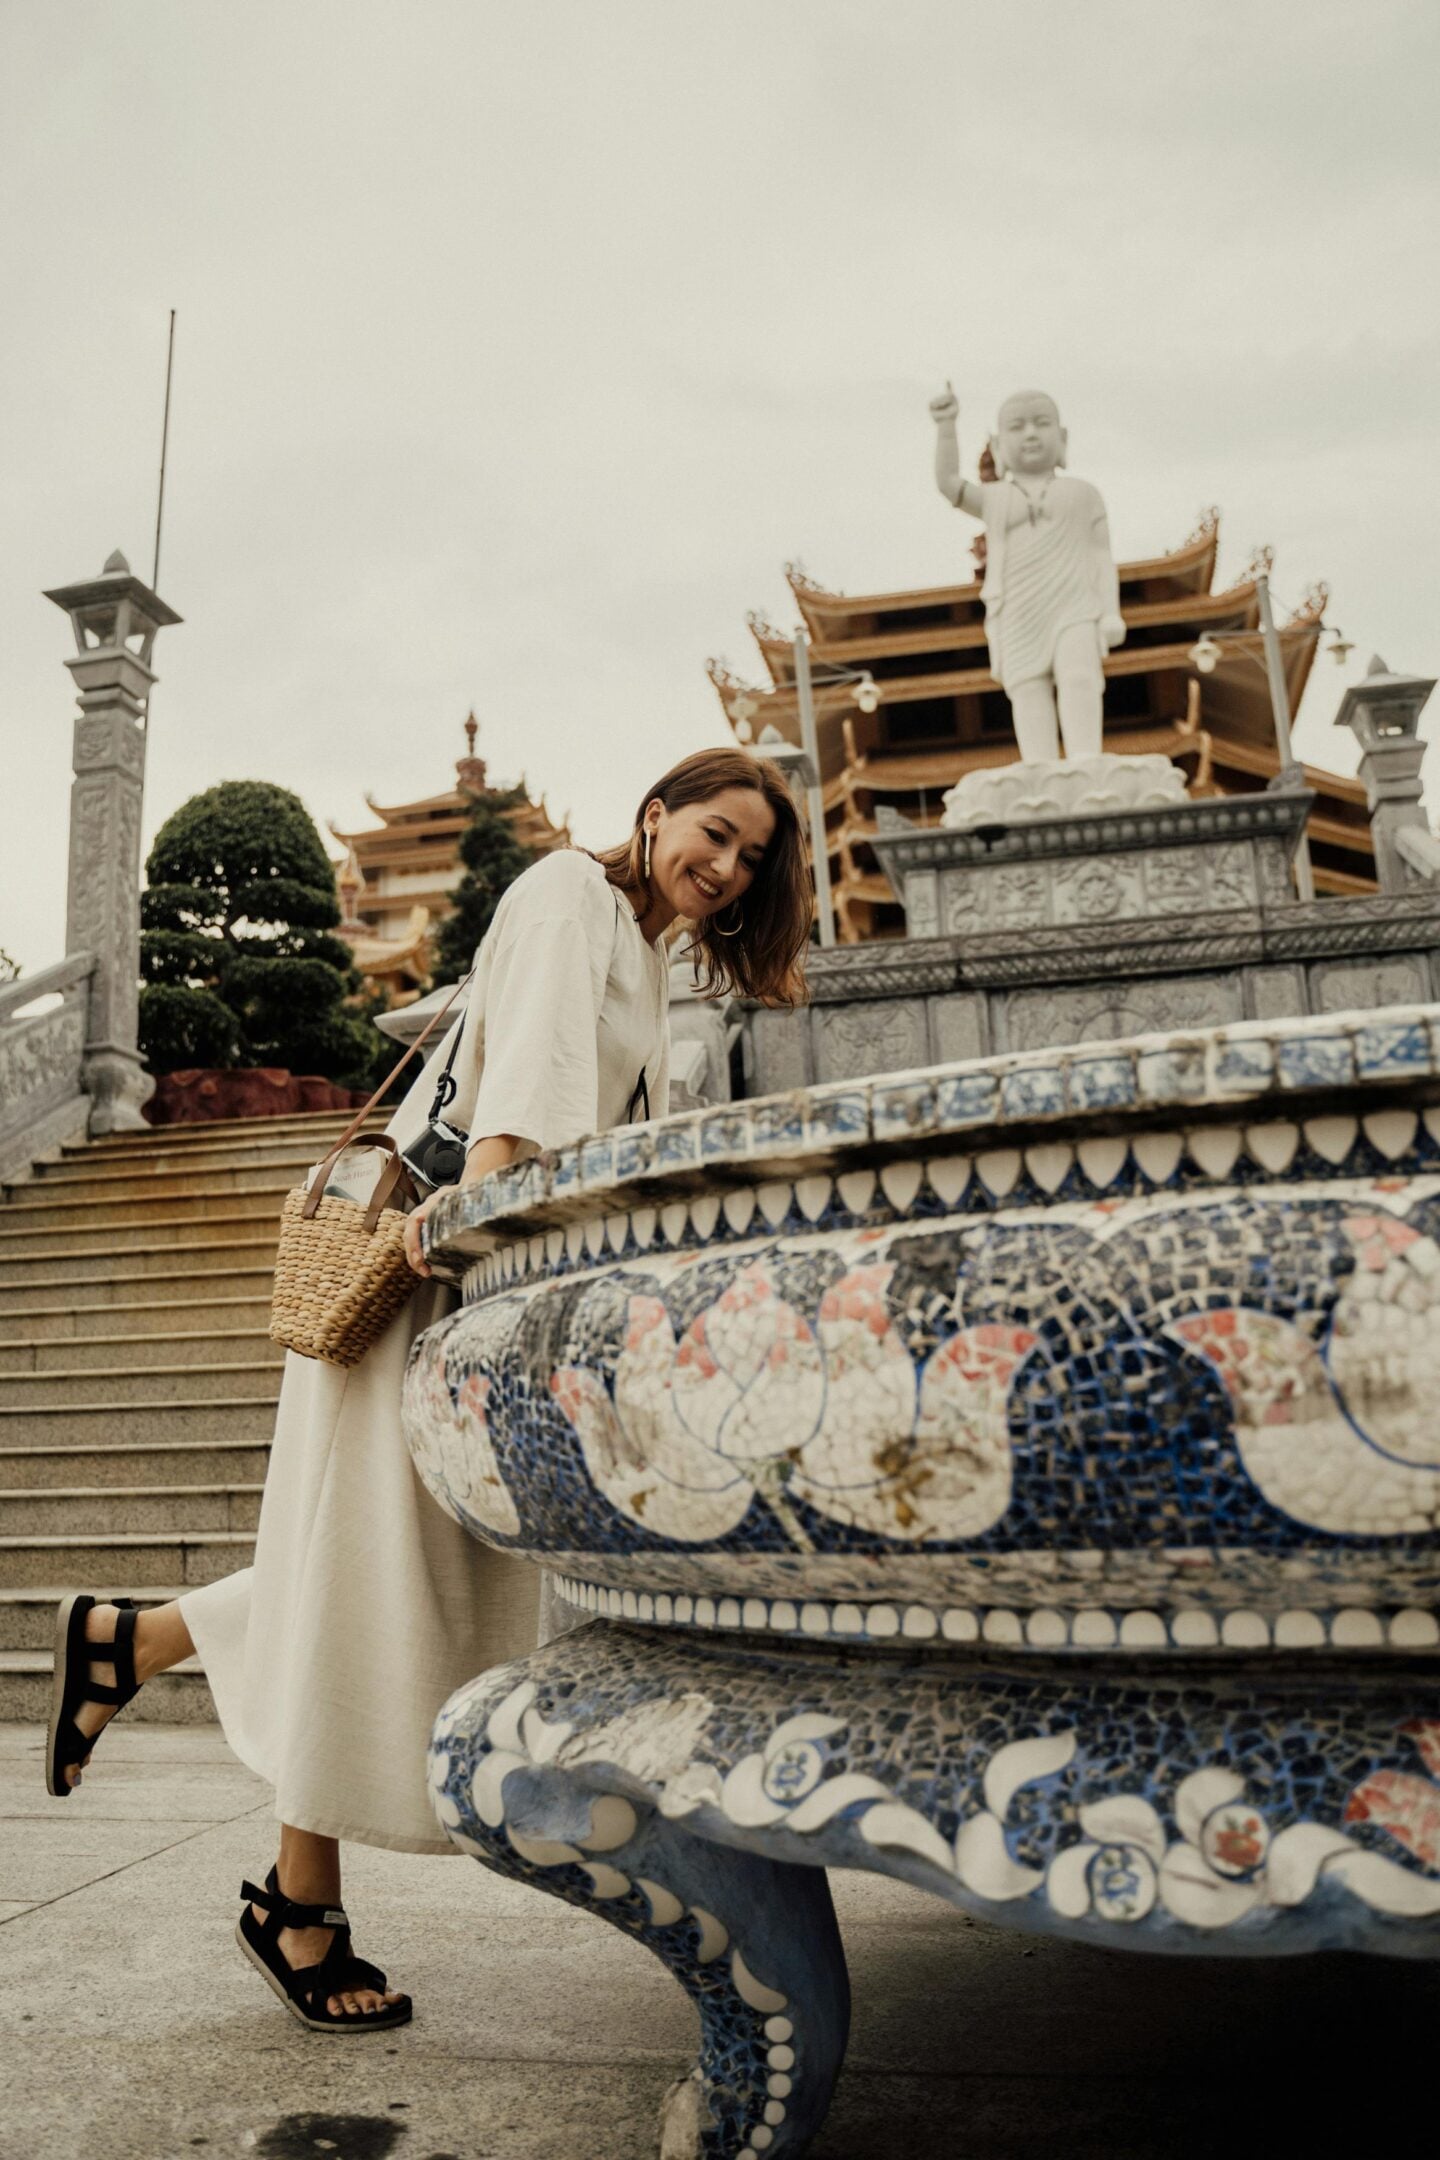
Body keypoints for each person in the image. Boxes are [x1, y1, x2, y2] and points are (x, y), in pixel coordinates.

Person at [44, 748, 811, 2031]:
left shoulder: (648, 947)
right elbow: (525, 1096)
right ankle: (293, 1897)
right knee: (368, 1571)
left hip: (475, 1260)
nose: (725, 867)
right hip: (435, 1269)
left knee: (371, 1569)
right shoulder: (575, 892)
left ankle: (141, 1648)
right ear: (656, 812)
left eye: (750, 859)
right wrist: (490, 1241)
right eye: (714, 833)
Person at [929, 381, 1126, 763]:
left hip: (1076, 601)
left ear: (1062, 436)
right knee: (1027, 687)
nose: (1031, 433)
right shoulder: (994, 498)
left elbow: (1102, 556)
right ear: (999, 444)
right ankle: (1041, 765)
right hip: (1017, 606)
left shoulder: (1084, 494)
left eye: (1041, 423)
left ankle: (1085, 758)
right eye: (1017, 427)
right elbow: (948, 484)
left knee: (1080, 677)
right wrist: (946, 426)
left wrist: (1111, 610)